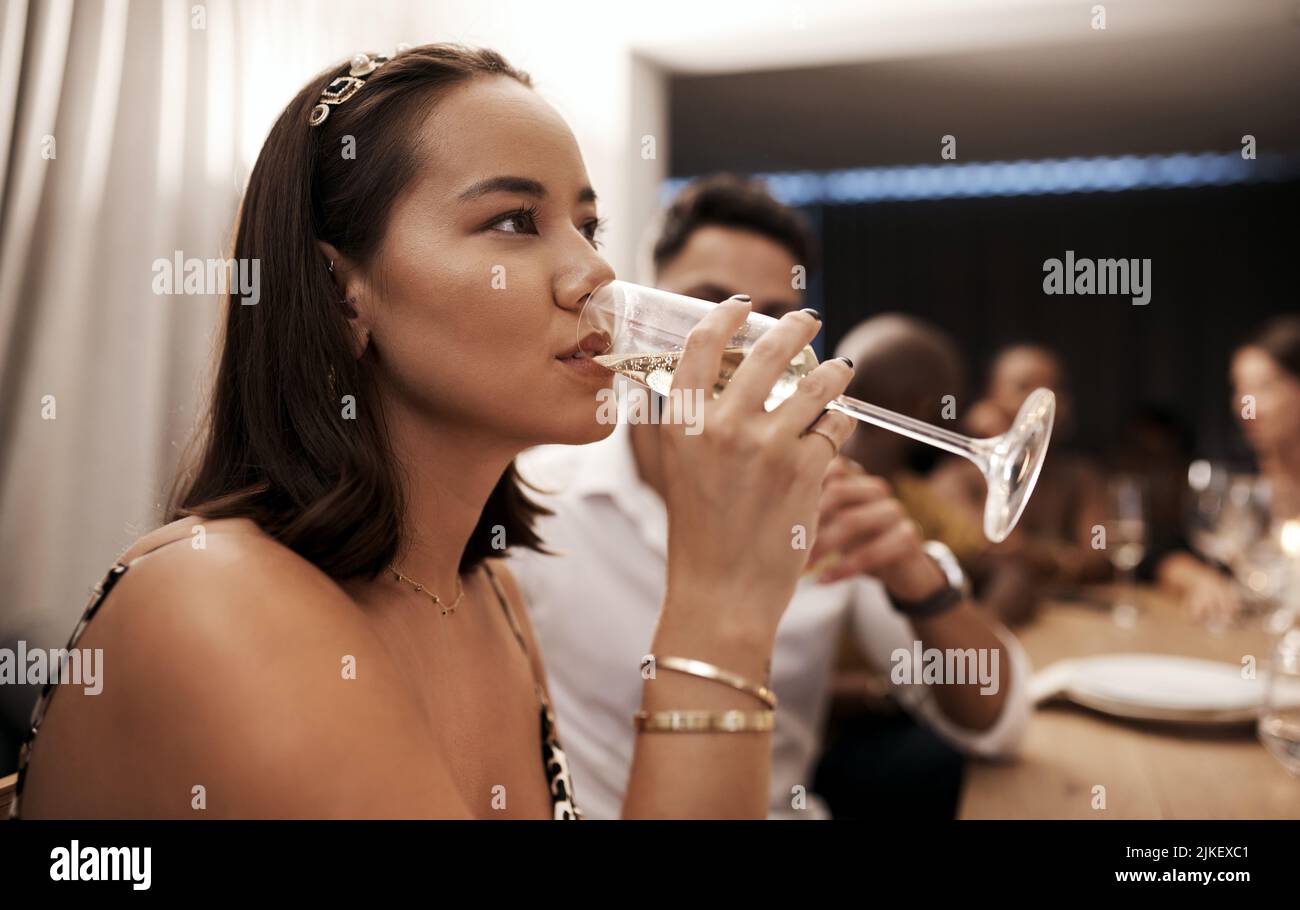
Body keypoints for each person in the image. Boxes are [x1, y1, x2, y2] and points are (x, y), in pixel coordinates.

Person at [10, 45, 860, 819]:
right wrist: (720, 608)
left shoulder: (487, 591)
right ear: (343, 291)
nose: (596, 273)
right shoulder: (212, 601)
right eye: (514, 223)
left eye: (587, 226)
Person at [510, 175, 1030, 820]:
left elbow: (998, 722)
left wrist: (916, 578)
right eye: (706, 305)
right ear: (643, 313)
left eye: (772, 320)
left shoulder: (820, 505)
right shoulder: (534, 498)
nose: (741, 343)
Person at [833, 315, 1040, 625]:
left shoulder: (911, 494)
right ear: (921, 407)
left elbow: (1010, 567)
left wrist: (969, 646)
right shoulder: (807, 488)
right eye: (946, 402)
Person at [932, 344, 1111, 597]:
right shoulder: (953, 479)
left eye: (1052, 388)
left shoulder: (1081, 476)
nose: (1042, 404)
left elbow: (1099, 557)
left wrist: (1034, 556)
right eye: (1023, 387)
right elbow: (997, 548)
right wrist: (1003, 456)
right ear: (990, 399)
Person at [1158, 315, 1300, 624]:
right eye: (1239, 388)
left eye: (1265, 387)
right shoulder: (1231, 472)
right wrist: (1200, 580)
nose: (1244, 404)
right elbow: (1167, 554)